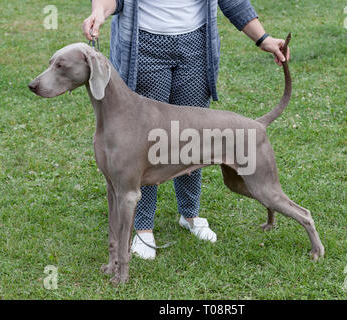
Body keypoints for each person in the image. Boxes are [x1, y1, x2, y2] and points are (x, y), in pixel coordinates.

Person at [83, 0, 290, 260]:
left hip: (196, 44)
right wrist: (98, 12)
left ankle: (190, 214)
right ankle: (143, 227)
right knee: (145, 142)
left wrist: (263, 38)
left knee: (193, 139)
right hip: (143, 44)